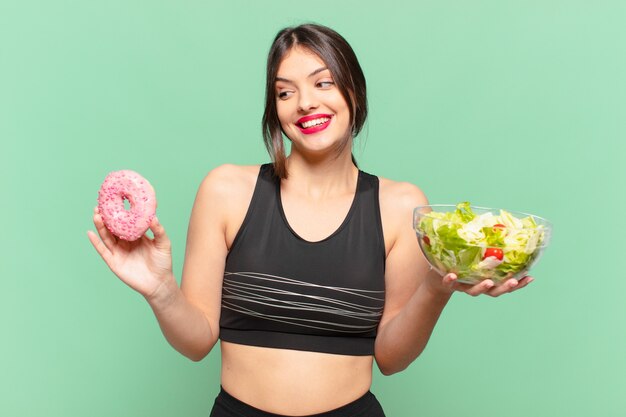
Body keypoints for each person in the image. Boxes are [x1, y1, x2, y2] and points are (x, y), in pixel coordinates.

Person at [87, 23, 533, 417]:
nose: (304, 103)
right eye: (285, 92)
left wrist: (439, 286)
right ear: (274, 109)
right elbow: (197, 341)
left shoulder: (400, 205)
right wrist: (161, 290)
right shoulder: (226, 190)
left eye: (323, 84)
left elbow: (392, 358)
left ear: (352, 91)